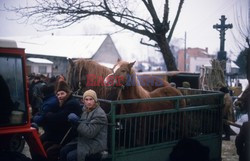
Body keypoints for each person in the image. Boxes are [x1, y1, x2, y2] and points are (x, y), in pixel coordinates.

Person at [59, 89, 108, 161]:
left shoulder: (99, 114)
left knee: (71, 156)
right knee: (63, 150)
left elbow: (90, 133)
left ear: (95, 100)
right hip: (85, 140)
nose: (88, 102)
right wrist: (73, 123)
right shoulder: (85, 110)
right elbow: (82, 124)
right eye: (86, 99)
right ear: (83, 101)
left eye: (91, 99)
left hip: (96, 144)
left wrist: (77, 123)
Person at [43, 81, 82, 159]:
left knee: (50, 150)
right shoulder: (63, 102)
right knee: (42, 143)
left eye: (62, 93)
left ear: (67, 93)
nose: (60, 96)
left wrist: (48, 115)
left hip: (68, 136)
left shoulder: (71, 103)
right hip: (62, 133)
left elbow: (59, 118)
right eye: (58, 94)